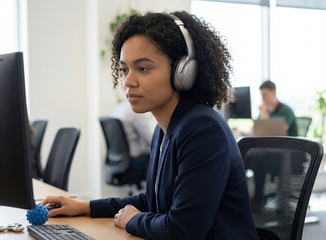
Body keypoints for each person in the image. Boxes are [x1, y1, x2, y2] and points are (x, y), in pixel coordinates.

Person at [42, 11, 258, 239]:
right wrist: (85, 207)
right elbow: (152, 200)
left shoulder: (203, 128)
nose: (128, 81)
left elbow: (183, 230)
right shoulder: (164, 129)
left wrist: (134, 219)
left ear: (183, 72)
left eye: (143, 69)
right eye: (124, 69)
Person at [113, 100, 153, 171]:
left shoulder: (120, 108)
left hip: (118, 160)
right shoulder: (136, 110)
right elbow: (151, 140)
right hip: (133, 160)